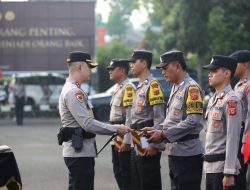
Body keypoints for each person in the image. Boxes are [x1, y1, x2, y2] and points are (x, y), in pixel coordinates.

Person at [58, 51, 130, 190]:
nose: (91, 70)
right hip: (79, 153)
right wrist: (116, 129)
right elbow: (88, 123)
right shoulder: (74, 92)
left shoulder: (75, 89)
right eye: (88, 67)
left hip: (81, 151)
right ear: (79, 67)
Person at [141, 50, 204, 190]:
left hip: (188, 154)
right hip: (175, 152)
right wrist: (156, 130)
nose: (163, 72)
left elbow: (192, 120)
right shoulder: (177, 87)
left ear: (177, 66)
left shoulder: (191, 88)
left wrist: (163, 135)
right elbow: (172, 120)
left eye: (165, 67)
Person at [203, 55, 242, 190]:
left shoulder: (232, 100)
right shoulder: (214, 99)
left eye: (214, 71)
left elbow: (233, 138)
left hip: (222, 169)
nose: (209, 75)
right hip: (210, 168)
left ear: (227, 73)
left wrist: (229, 172)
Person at [128, 50, 165, 190]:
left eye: (134, 62)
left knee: (148, 177)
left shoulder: (153, 85)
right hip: (136, 135)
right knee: (137, 178)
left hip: (146, 136)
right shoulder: (139, 86)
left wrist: (154, 145)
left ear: (144, 63)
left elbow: (159, 117)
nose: (131, 65)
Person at [107, 59, 135, 190]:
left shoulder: (128, 88)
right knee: (118, 171)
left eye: (113, 69)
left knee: (126, 173)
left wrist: (128, 141)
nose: (110, 71)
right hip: (116, 135)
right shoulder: (119, 87)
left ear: (122, 71)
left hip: (123, 136)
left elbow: (130, 117)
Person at [230, 50, 250, 190]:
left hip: (246, 134)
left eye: (234, 64)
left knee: (245, 176)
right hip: (238, 132)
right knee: (238, 174)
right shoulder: (238, 85)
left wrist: (245, 141)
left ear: (244, 64)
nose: (231, 67)